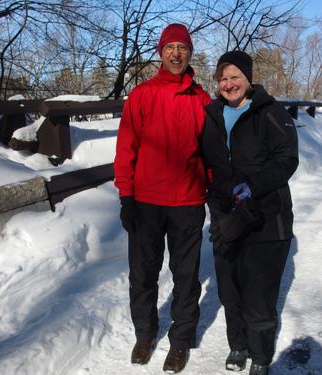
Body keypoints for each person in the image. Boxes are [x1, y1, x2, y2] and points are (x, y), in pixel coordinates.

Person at [114, 23, 211, 374]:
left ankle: (181, 340)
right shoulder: (142, 95)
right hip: (147, 202)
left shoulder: (201, 100)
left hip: (187, 202)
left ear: (189, 54)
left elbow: (211, 153)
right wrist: (126, 196)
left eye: (182, 48)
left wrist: (212, 190)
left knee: (186, 276)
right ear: (160, 52)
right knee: (142, 274)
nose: (175, 53)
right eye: (169, 47)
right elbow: (127, 148)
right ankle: (145, 333)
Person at [201, 51, 299, 375]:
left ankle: (259, 354)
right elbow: (200, 158)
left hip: (265, 216)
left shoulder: (269, 112)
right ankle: (238, 344)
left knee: (259, 291)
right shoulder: (212, 113)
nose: (229, 84)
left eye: (235, 77)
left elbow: (287, 159)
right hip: (227, 214)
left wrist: (253, 186)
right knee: (230, 287)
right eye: (223, 78)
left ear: (248, 79)